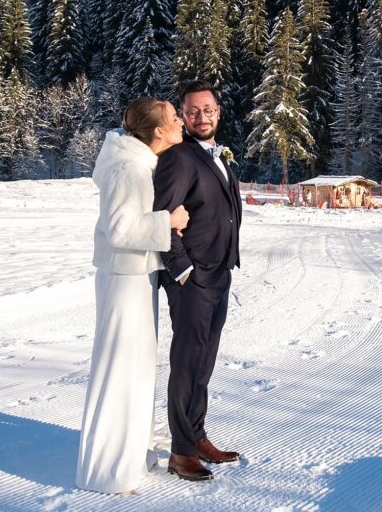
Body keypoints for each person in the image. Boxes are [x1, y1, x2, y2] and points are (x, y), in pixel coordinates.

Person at [76, 98, 189, 494]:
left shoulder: (141, 163)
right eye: (173, 117)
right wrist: (168, 221)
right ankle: (109, 469)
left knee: (136, 368)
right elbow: (120, 230)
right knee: (121, 367)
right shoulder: (129, 168)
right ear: (157, 130)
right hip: (124, 279)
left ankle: (128, 455)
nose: (180, 122)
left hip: (136, 276)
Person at [153, 80, 243, 482]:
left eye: (207, 109)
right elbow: (162, 216)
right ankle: (181, 450)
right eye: (192, 111)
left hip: (219, 271)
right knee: (187, 363)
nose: (201, 117)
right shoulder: (179, 157)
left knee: (204, 362)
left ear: (218, 111)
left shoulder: (222, 156)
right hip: (192, 277)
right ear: (184, 116)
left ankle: (197, 434)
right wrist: (181, 269)